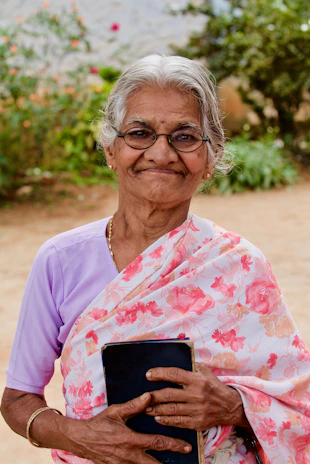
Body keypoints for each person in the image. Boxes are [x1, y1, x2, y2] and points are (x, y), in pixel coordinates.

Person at [1, 54, 310, 464]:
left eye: (184, 137)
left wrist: (234, 405)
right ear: (111, 150)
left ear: (210, 159)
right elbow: (18, 400)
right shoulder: (61, 260)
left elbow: (298, 403)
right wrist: (79, 436)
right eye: (140, 133)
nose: (161, 154)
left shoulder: (239, 265)